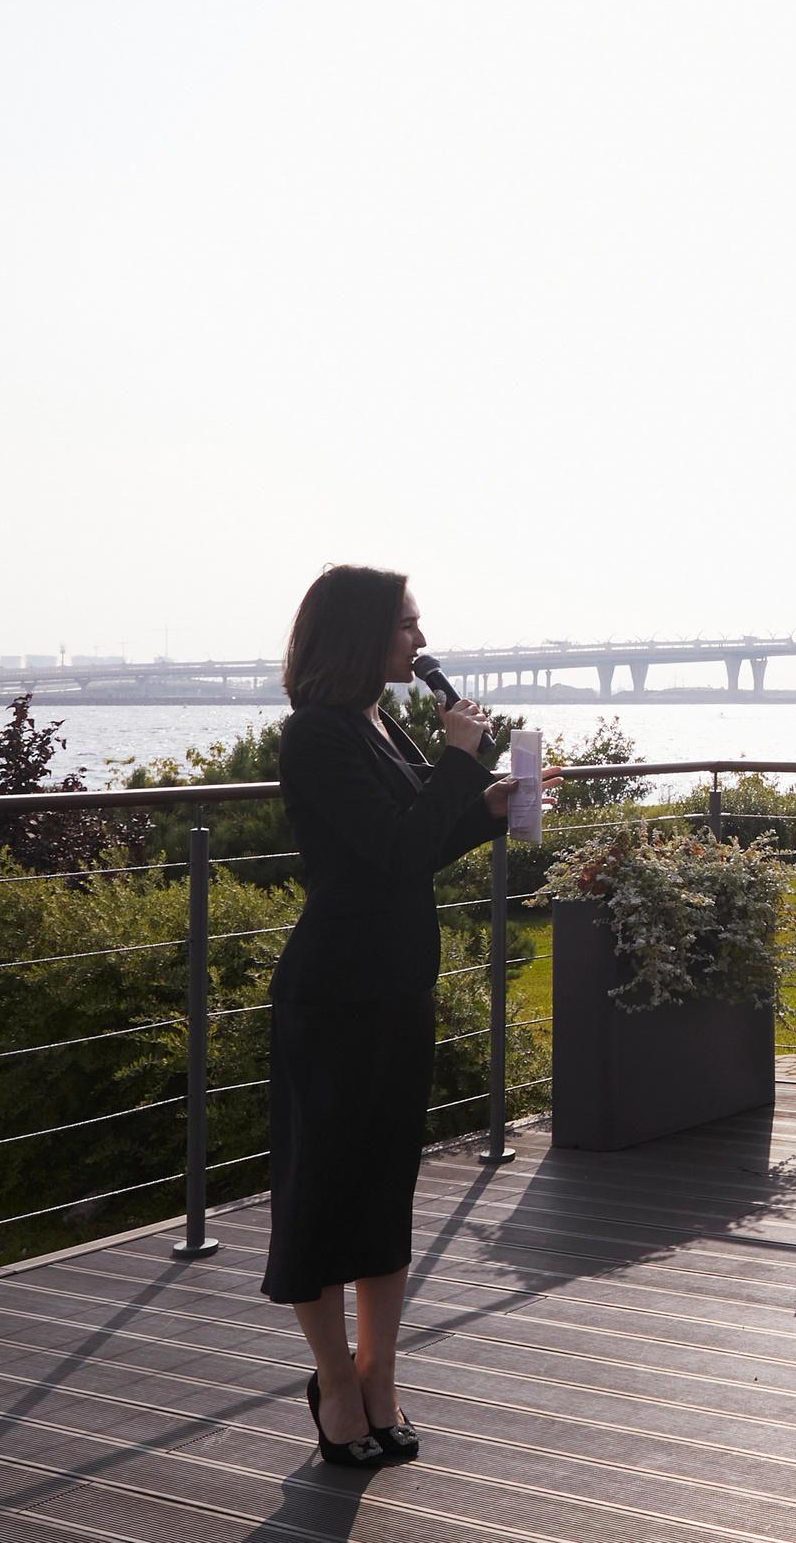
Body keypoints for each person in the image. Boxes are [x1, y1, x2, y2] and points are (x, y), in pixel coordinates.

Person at [263, 565, 537, 1469]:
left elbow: (419, 845)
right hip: (334, 995)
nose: (421, 644)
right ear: (361, 633)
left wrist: (488, 806)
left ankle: (382, 1376)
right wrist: (457, 758)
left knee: (385, 1189)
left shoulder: (376, 722)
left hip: (396, 987)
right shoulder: (315, 736)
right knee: (322, 1195)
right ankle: (335, 1381)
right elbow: (387, 851)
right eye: (407, 627)